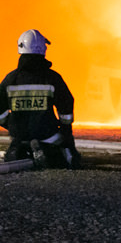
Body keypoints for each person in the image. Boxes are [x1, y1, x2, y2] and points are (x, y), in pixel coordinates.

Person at [0, 29, 80, 169]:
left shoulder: (10, 79)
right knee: (67, 154)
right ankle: (47, 151)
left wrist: (11, 124)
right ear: (43, 49)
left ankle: (19, 150)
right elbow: (66, 104)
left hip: (19, 134)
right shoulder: (52, 77)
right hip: (47, 133)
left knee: (19, 147)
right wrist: (66, 130)